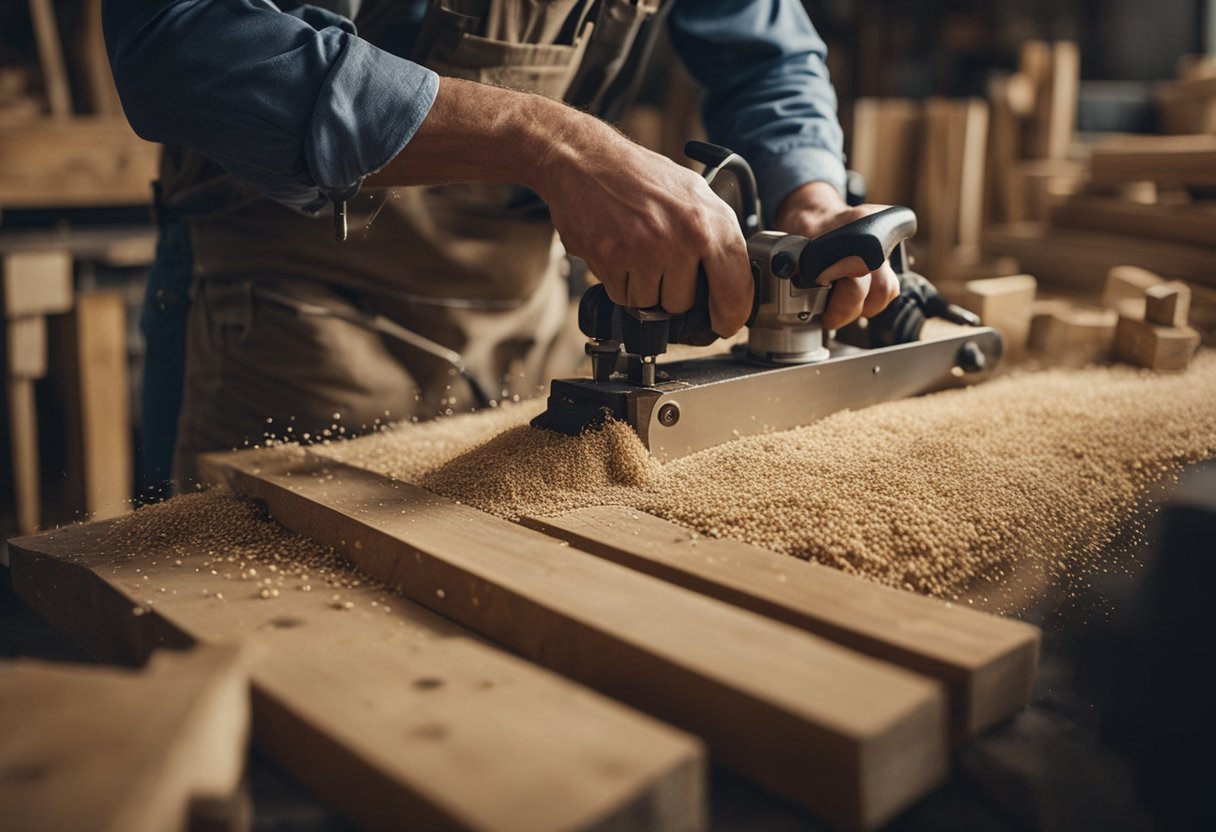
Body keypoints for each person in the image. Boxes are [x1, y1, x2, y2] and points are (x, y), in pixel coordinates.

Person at [103, 0, 899, 492]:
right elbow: (179, 41)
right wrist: (550, 143)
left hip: (528, 317)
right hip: (294, 313)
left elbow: (770, 55)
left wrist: (809, 195)